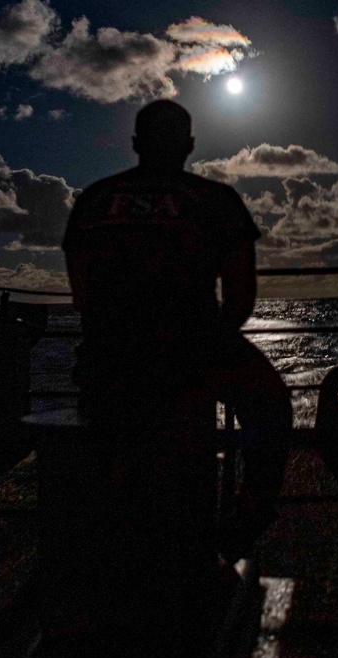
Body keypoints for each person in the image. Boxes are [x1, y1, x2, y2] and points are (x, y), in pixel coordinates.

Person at [61, 99, 293, 562]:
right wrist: (203, 353)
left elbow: (83, 294)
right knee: (271, 405)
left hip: (111, 355)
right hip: (193, 348)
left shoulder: (94, 200)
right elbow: (241, 298)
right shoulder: (215, 200)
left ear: (134, 144)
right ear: (190, 144)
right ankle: (249, 515)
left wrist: (114, 342)